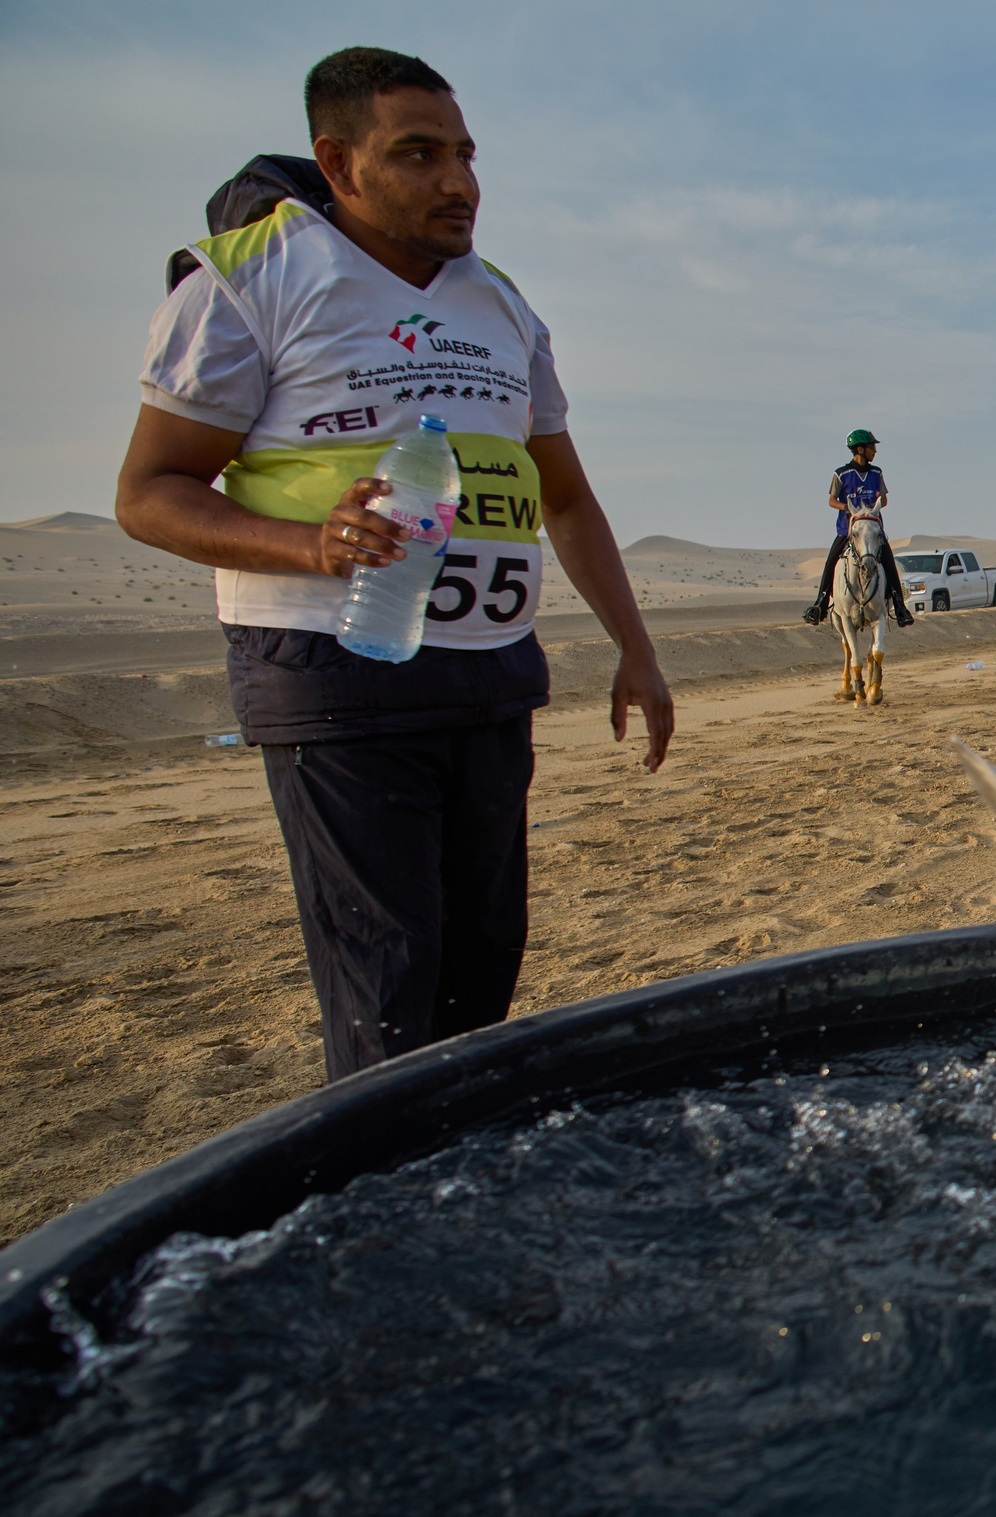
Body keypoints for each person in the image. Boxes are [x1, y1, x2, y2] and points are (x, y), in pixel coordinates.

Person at [114, 46, 673, 1080]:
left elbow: (566, 496)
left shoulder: (501, 305)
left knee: (481, 973)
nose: (458, 182)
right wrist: (311, 545)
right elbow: (149, 493)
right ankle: (378, 1221)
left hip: (490, 679)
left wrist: (635, 648)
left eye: (465, 154)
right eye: (418, 155)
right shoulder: (250, 283)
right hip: (338, 679)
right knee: (389, 995)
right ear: (339, 162)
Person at [802, 429, 910, 626]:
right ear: (860, 449)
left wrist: (872, 509)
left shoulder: (876, 473)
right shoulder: (841, 474)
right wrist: (846, 508)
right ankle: (820, 604)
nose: (875, 451)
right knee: (830, 563)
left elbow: (883, 499)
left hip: (873, 530)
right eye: (872, 447)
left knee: (889, 562)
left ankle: (900, 606)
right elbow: (831, 500)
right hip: (848, 530)